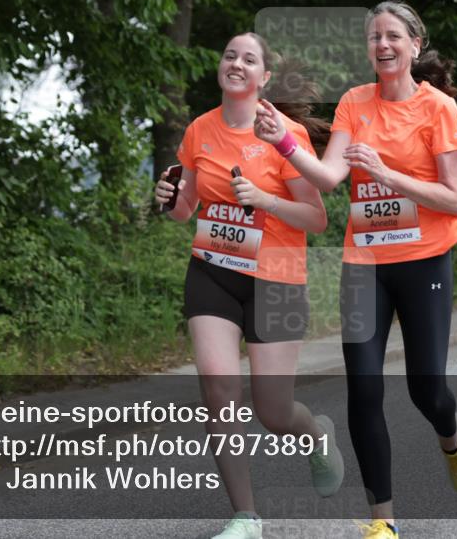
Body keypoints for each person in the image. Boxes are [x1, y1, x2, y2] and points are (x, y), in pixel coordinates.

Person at [255, 1, 457, 538]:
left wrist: (388, 175)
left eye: (393, 36)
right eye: (374, 37)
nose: (382, 45)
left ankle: (452, 437)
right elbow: (329, 178)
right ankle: (384, 524)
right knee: (363, 388)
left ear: (414, 45)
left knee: (428, 390)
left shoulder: (438, 110)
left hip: (425, 260)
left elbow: (455, 199)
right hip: (366, 264)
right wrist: (283, 140)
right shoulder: (356, 104)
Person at [154, 32, 344, 539]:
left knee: (272, 410)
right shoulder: (199, 130)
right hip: (213, 271)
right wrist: (166, 198)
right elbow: (185, 209)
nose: (236, 63)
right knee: (219, 387)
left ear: (263, 79)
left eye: (249, 59)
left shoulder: (284, 134)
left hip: (276, 280)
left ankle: (316, 436)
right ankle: (245, 517)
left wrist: (264, 199)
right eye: (230, 55)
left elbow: (317, 218)